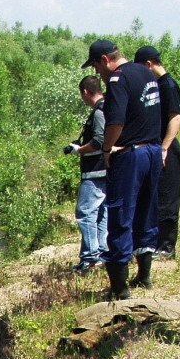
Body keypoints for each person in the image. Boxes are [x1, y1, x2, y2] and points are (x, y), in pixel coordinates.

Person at [81, 39, 162, 299]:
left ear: (105, 60)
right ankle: (145, 276)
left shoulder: (118, 80)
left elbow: (114, 123)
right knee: (146, 213)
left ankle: (120, 288)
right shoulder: (146, 73)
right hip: (152, 151)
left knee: (120, 216)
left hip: (131, 155)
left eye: (96, 67)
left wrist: (106, 149)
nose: (97, 74)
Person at [134, 46, 180, 260]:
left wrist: (164, 148)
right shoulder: (156, 85)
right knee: (155, 195)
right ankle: (155, 242)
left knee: (167, 197)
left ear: (148, 64)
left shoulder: (168, 85)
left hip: (167, 148)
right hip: (156, 147)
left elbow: (175, 117)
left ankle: (166, 246)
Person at [66, 75, 108, 272]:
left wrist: (78, 150)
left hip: (95, 170)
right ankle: (100, 253)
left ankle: (91, 258)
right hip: (105, 170)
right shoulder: (109, 107)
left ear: (85, 92)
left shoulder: (99, 112)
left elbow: (100, 140)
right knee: (100, 213)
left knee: (85, 212)